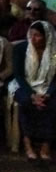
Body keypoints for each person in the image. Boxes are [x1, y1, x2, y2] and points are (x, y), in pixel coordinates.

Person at [10, 21, 56, 161]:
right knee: (25, 102)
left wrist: (48, 93)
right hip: (25, 85)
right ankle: (27, 143)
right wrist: (32, 95)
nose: (33, 38)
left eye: (38, 35)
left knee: (52, 104)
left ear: (47, 36)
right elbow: (18, 75)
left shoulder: (54, 51)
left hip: (47, 86)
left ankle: (46, 144)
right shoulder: (21, 49)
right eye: (31, 34)